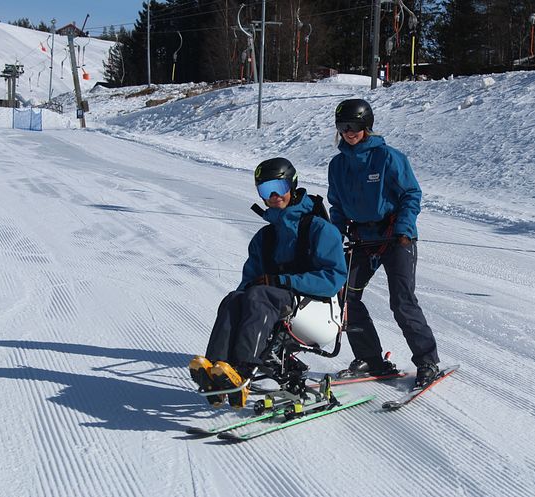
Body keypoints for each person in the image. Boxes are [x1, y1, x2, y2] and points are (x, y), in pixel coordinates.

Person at [189, 157, 347, 408]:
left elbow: (333, 279)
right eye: (265, 190)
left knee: (259, 295)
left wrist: (281, 280)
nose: (274, 196)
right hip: (281, 307)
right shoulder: (264, 238)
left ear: (292, 186)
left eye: (279, 188)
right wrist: (245, 296)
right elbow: (248, 282)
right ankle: (218, 373)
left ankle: (243, 372)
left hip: (320, 312)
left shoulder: (319, 229)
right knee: (235, 298)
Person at [327, 98, 440, 388]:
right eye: (343, 127)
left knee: (402, 301)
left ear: (367, 126)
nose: (349, 132)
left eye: (354, 126)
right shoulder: (337, 165)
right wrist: (333, 234)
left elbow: (411, 195)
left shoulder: (389, 157)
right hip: (362, 240)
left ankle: (427, 361)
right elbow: (337, 206)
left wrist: (404, 228)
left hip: (394, 237)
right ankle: (371, 359)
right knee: (346, 299)